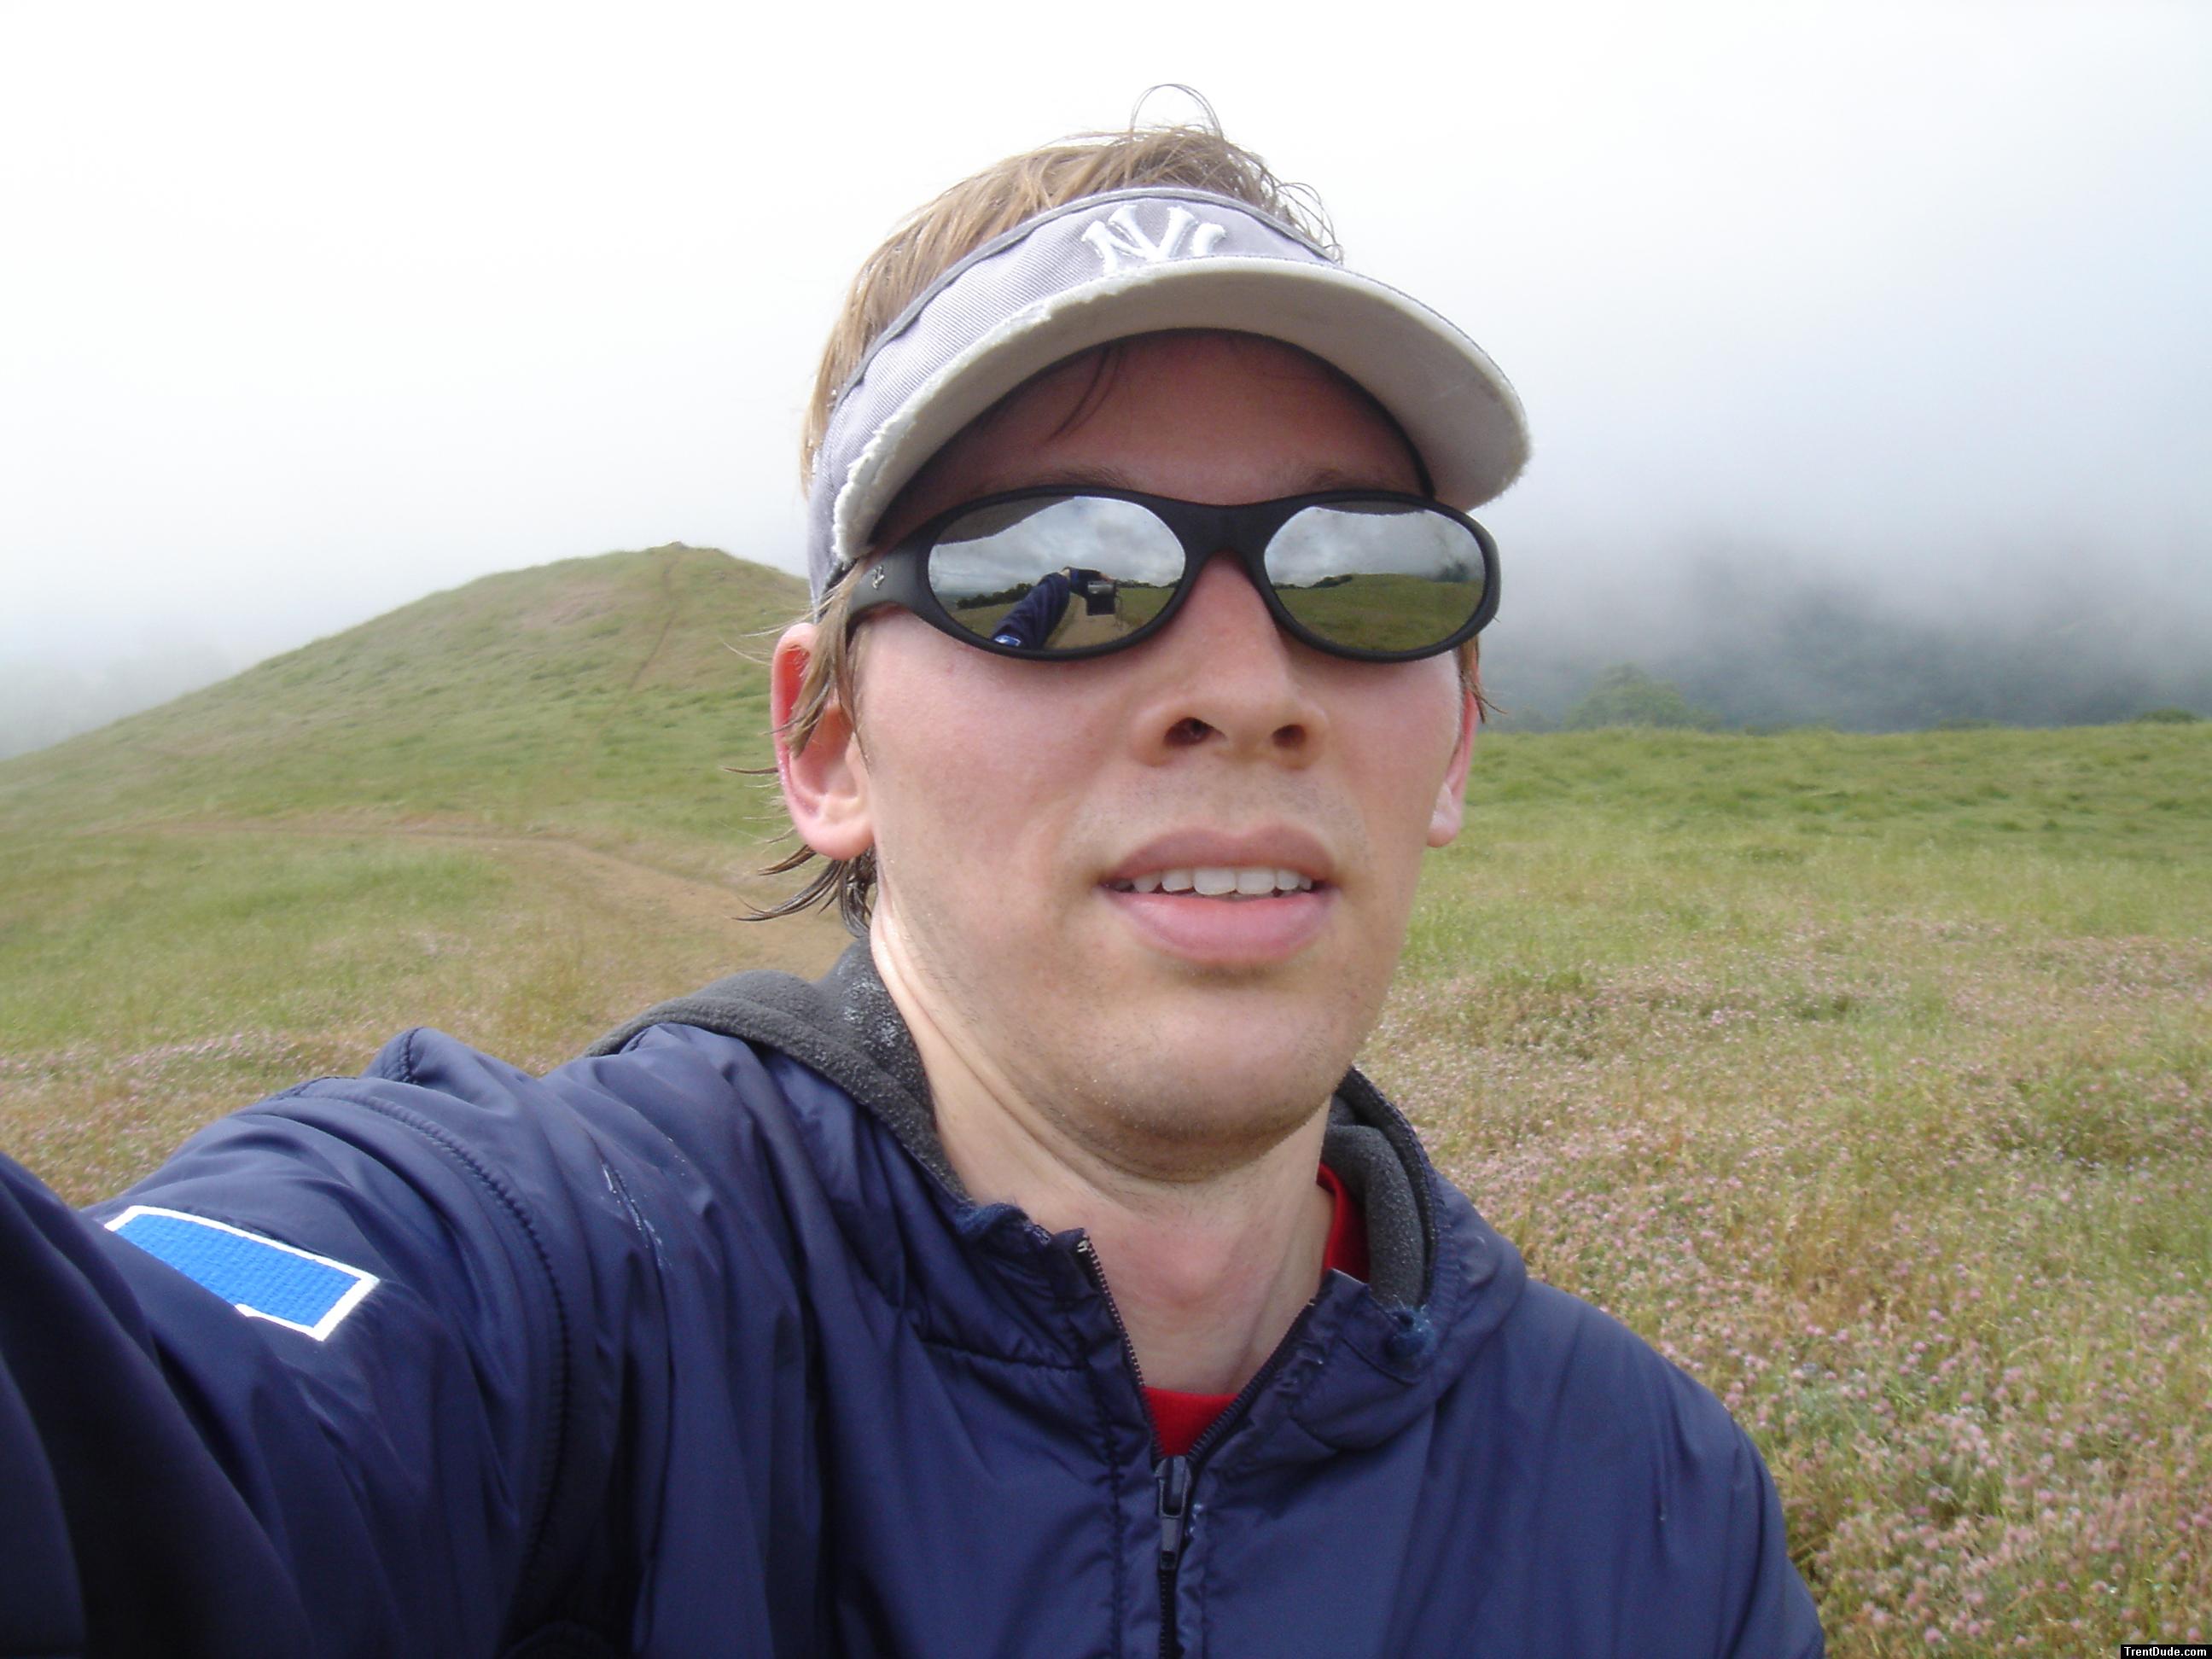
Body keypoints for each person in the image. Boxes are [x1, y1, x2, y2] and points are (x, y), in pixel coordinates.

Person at [0, 120, 1825, 1656]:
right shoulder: (555, 1295)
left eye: (1360, 574)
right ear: (829, 745)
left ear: (1459, 736)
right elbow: (137, 1452)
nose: (1248, 684)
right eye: (1058, 572)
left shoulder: (1664, 1517)